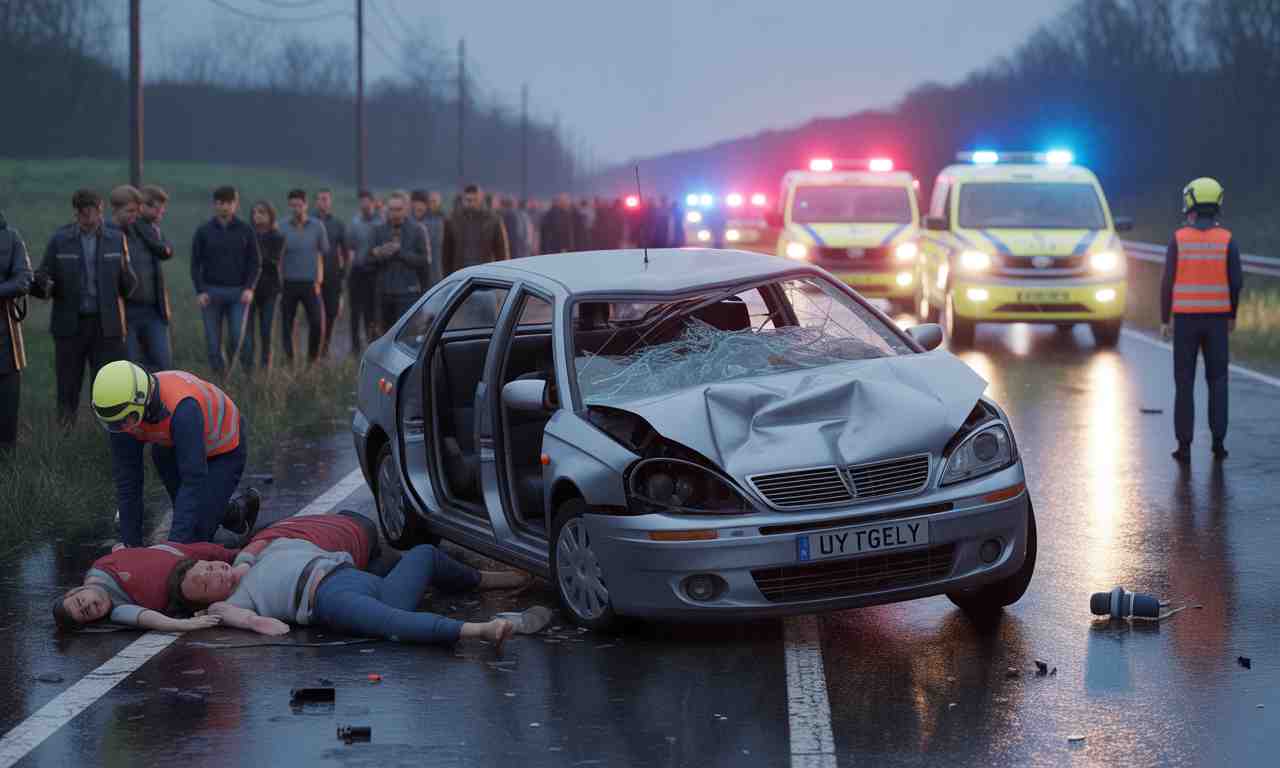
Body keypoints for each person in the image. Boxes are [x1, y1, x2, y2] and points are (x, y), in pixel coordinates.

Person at [207, 541, 526, 647]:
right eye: (204, 584)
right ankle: (480, 631)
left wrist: (243, 561)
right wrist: (244, 618)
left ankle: (490, 579)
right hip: (327, 599)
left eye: (208, 568)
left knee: (424, 553)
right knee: (394, 622)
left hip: (361, 579)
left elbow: (255, 544)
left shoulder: (270, 550)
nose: (213, 575)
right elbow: (270, 626)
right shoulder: (237, 599)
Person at [91, 360, 259, 547]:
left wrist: (174, 548)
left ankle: (223, 512)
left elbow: (193, 480)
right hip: (172, 443)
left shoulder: (183, 408)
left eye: (126, 420)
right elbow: (128, 485)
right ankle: (231, 512)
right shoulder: (120, 417)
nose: (122, 428)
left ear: (141, 399)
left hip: (224, 448)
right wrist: (131, 547)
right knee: (189, 508)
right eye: (113, 423)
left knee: (195, 534)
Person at [30, 189, 137, 425]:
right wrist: (43, 283)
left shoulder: (116, 239)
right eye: (82, 212)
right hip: (70, 325)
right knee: (67, 384)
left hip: (107, 326)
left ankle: (109, 432)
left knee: (108, 386)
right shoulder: (60, 240)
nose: (88, 217)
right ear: (76, 213)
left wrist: (128, 282)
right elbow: (44, 274)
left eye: (92, 212)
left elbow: (127, 282)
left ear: (100, 211)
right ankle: (65, 433)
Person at [1161, 177, 1243, 463]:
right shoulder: (1227, 240)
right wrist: (1232, 314)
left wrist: (1164, 319)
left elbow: (1167, 281)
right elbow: (1236, 282)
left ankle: (1184, 447)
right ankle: (1218, 444)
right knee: (1218, 381)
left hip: (1185, 322)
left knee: (1184, 382)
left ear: (1190, 202)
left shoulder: (1179, 239)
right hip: (1217, 322)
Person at [51, 541, 238, 632]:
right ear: (93, 620)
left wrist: (122, 549)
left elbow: (127, 552)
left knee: (228, 552)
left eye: (80, 602)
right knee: (239, 571)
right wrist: (183, 624)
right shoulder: (118, 610)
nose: (89, 605)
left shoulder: (99, 568)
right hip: (196, 581)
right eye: (86, 612)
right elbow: (147, 618)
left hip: (181, 553)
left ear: (75, 591)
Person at [191, 186, 260, 375]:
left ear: (235, 204)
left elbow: (255, 262)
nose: (225, 207)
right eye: (221, 203)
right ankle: (220, 377)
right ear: (215, 204)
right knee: (213, 341)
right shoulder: (204, 231)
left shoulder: (246, 230)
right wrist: (200, 291)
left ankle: (233, 368)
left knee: (237, 336)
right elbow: (195, 264)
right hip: (210, 292)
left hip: (238, 293)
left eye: (229, 203)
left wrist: (249, 288)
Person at [112, 186, 173, 372]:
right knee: (131, 367)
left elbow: (166, 251)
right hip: (126, 311)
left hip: (153, 309)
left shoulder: (151, 231)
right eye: (131, 211)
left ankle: (157, 391)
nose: (135, 215)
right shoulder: (111, 234)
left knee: (163, 364)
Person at [278, 189, 328, 366]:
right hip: (289, 282)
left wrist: (319, 280)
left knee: (316, 322)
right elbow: (278, 258)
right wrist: (280, 282)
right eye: (292, 205)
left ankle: (312, 361)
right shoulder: (281, 227)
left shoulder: (317, 226)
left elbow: (321, 254)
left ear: (306, 205)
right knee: (287, 325)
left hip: (311, 283)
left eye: (299, 205)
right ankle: (289, 361)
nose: (296, 209)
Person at [369, 190, 431, 334]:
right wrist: (381, 253)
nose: (394, 213)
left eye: (398, 209)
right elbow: (368, 260)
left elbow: (424, 261)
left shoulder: (417, 230)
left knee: (406, 336)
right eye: (391, 209)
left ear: (406, 209)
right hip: (385, 293)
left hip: (408, 293)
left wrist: (400, 252)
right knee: (386, 335)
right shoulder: (378, 230)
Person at [0, 209, 32, 455]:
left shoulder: (11, 238)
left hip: (4, 335)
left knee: (7, 403)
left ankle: (7, 458)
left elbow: (24, 279)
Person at [240, 201, 285, 372]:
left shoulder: (277, 237)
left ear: (270, 216)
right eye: (255, 212)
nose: (257, 216)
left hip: (270, 290)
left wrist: (252, 256)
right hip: (248, 290)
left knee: (266, 332)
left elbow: (272, 261)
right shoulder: (246, 235)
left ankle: (265, 369)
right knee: (247, 334)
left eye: (262, 212)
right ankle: (248, 370)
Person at [442, 185, 509, 277]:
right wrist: (447, 276)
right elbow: (446, 252)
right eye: (468, 200)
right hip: (461, 270)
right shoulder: (452, 220)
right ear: (463, 200)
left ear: (481, 199)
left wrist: (503, 275)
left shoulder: (493, 219)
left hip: (485, 270)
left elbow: (502, 251)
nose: (471, 203)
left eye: (475, 200)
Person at [346, 190, 382, 354]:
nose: (365, 205)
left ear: (373, 203)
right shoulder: (355, 223)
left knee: (371, 311)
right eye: (362, 202)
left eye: (367, 202)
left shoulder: (380, 222)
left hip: (374, 271)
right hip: (357, 270)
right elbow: (350, 245)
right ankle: (355, 347)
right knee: (355, 311)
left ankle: (371, 346)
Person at [314, 189, 348, 358]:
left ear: (330, 202)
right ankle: (314, 350)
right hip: (312, 276)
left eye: (326, 199)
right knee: (314, 315)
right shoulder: (310, 222)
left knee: (331, 313)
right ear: (316, 202)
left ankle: (325, 348)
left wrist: (342, 273)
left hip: (332, 275)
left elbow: (345, 252)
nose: (324, 202)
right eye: (321, 199)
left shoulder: (338, 224)